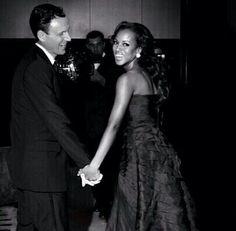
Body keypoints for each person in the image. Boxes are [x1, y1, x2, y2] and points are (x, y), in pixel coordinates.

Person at [80, 21, 198, 230]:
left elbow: (114, 125)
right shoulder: (147, 75)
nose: (117, 48)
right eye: (116, 42)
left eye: (126, 44)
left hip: (139, 155)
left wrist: (93, 166)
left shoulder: (127, 79)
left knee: (136, 212)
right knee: (156, 212)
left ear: (139, 50)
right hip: (158, 152)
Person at [6, 4, 100, 231]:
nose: (68, 37)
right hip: (42, 174)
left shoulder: (34, 62)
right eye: (61, 33)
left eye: (67, 30)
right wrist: (86, 163)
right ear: (42, 35)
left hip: (31, 172)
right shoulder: (38, 67)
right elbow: (55, 120)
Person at [78, 30, 123, 219]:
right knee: (90, 165)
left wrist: (101, 80)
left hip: (108, 127)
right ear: (87, 46)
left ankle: (107, 206)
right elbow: (76, 96)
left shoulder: (115, 63)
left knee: (109, 168)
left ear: (104, 45)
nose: (95, 47)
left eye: (98, 44)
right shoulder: (82, 64)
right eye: (91, 44)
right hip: (89, 127)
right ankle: (99, 201)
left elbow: (121, 93)